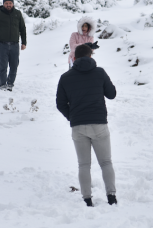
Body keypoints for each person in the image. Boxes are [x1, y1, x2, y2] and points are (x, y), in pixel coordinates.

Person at [56, 43, 118, 207]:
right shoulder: (100, 72)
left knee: (84, 165)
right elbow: (111, 94)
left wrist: (73, 117)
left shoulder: (65, 77)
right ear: (91, 56)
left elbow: (60, 103)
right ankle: (111, 197)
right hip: (99, 124)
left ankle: (87, 199)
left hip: (78, 126)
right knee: (106, 162)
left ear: (74, 58)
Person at [0, 0, 27, 91]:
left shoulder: (18, 14)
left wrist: (24, 42)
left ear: (13, 4)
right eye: (6, 3)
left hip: (15, 45)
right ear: (3, 4)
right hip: (2, 44)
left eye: (10, 3)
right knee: (3, 66)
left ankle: (10, 84)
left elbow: (22, 29)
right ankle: (2, 85)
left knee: (14, 65)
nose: (8, 5)